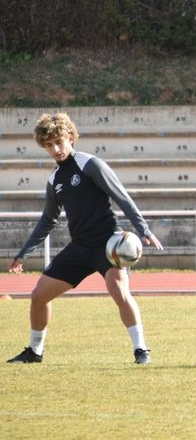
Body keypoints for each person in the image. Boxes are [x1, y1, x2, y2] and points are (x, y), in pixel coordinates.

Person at [6, 113, 164, 365]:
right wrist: (23, 252)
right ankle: (34, 352)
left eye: (59, 141)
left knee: (119, 291)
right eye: (48, 145)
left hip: (108, 245)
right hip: (79, 248)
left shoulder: (90, 164)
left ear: (71, 138)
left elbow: (122, 197)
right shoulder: (54, 181)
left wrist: (143, 229)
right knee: (38, 296)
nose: (55, 149)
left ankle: (141, 350)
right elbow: (48, 220)